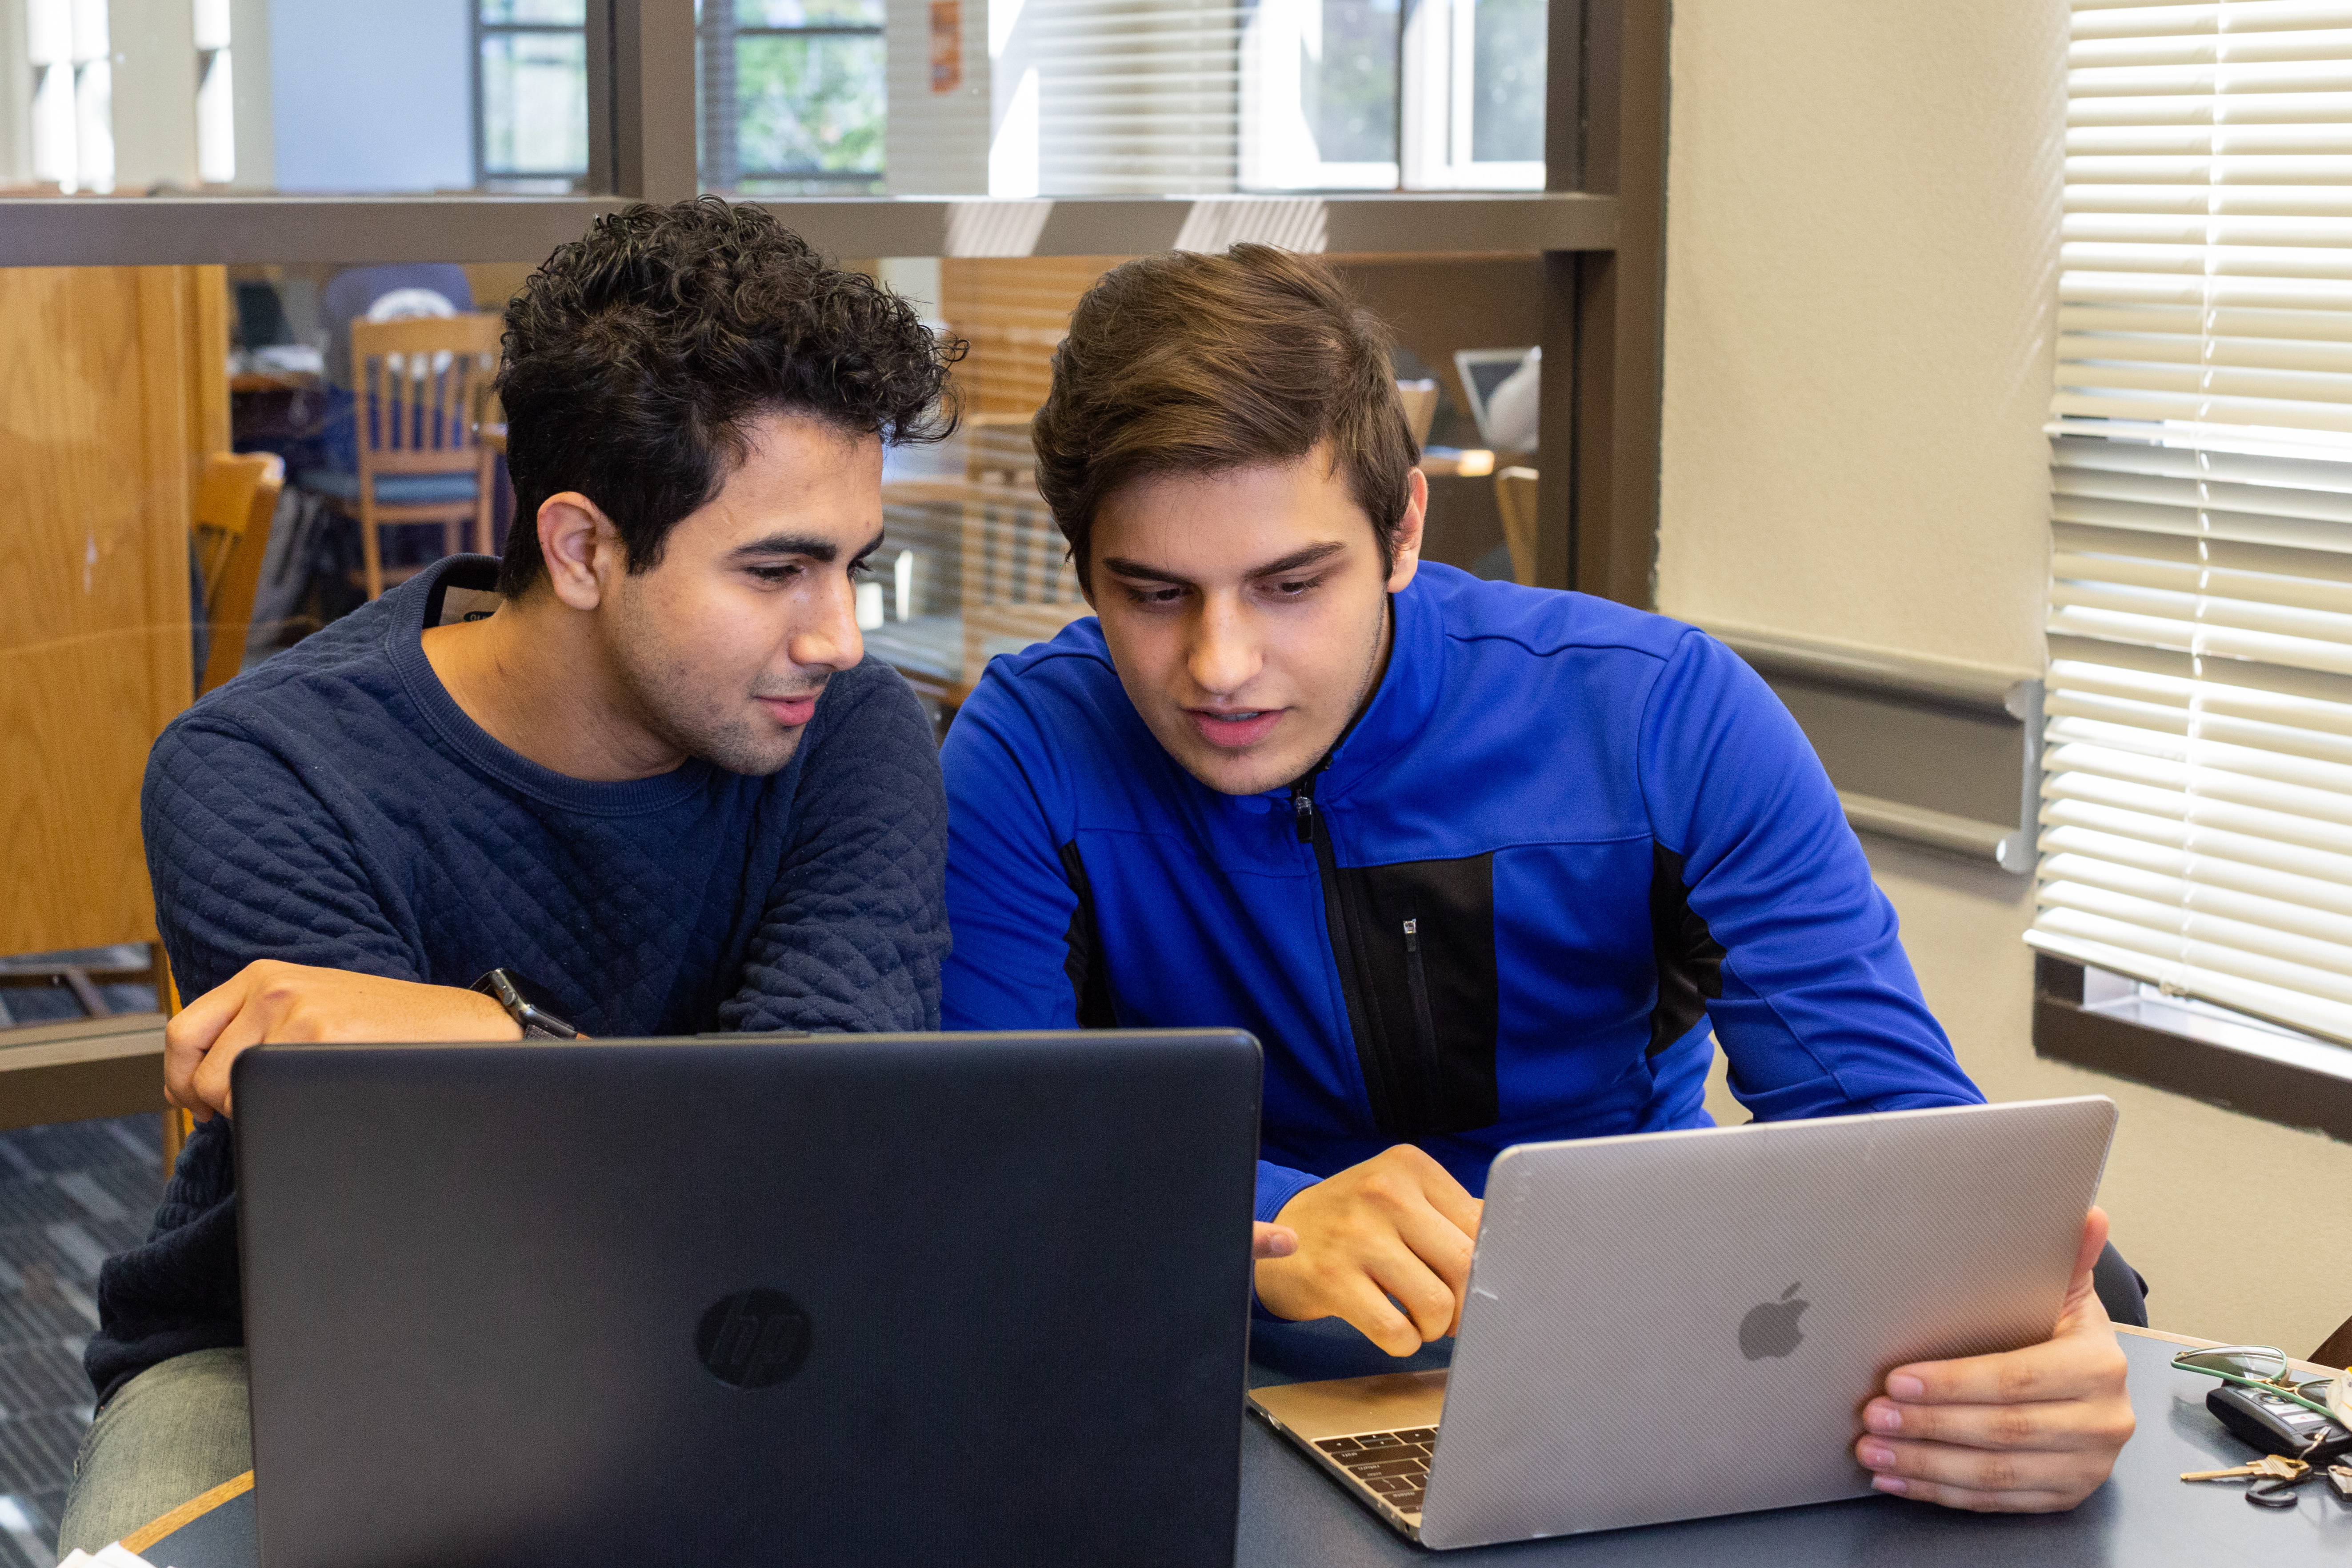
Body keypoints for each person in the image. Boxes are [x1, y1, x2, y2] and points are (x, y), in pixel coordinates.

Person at [937, 245, 2138, 1514]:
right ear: (1081, 567)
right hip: (1216, 1399)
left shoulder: (1661, 717)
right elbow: (987, 1151)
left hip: (1645, 1374)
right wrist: (1253, 1226)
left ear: (1402, 528)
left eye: (1292, 586)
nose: (1220, 665)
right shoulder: (1026, 752)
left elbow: (1906, 1148)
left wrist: (2032, 1367)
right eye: (1152, 594)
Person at [60, 199, 960, 1550]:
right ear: (583, 549)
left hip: (755, 1321)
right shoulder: (263, 769)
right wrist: (530, 1078)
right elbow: (428, 1244)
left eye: (853, 568)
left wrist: (496, 1045)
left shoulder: (854, 735)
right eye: (778, 570)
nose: (837, 636)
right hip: (286, 1349)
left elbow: (807, 1161)